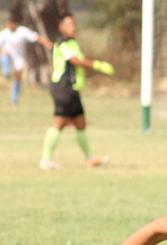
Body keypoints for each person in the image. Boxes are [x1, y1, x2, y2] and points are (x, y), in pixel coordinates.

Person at [39, 12, 114, 170]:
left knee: (80, 122)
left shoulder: (73, 42)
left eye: (73, 23)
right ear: (61, 27)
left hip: (72, 89)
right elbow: (74, 60)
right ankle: (46, 160)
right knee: (59, 122)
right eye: (68, 24)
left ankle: (90, 159)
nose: (72, 26)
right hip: (63, 88)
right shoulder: (62, 43)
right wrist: (97, 65)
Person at [0, 18, 53, 105]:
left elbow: (36, 37)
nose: (10, 26)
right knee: (5, 57)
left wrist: (47, 43)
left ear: (15, 24)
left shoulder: (22, 31)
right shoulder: (4, 34)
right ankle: (6, 71)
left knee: (18, 77)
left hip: (18, 58)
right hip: (7, 56)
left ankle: (14, 97)